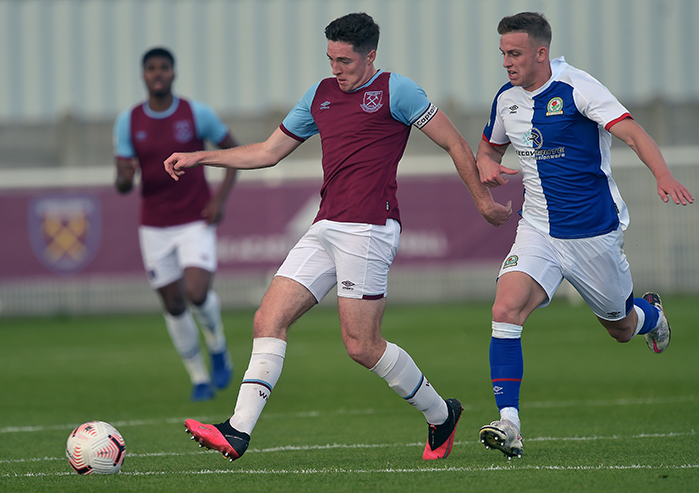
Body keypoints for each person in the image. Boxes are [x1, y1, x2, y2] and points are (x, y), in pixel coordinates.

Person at [164, 13, 512, 461]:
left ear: (371, 56)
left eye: (345, 60)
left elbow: (454, 143)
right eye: (330, 58)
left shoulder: (398, 90)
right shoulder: (320, 95)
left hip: (369, 229)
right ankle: (237, 431)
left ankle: (441, 414)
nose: (336, 69)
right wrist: (200, 157)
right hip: (325, 227)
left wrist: (482, 202)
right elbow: (269, 152)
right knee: (267, 320)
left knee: (361, 346)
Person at [475, 12, 694, 460]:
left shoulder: (578, 87)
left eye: (513, 53)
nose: (506, 63)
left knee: (620, 327)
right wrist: (486, 167)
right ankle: (510, 423)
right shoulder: (507, 99)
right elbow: (488, 148)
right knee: (505, 307)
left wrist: (663, 175)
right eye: (502, 54)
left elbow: (631, 132)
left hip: (592, 233)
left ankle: (651, 317)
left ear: (541, 52)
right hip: (537, 229)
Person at [113, 47, 239, 402]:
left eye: (164, 68)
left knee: (197, 292)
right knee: (173, 304)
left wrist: (220, 199)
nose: (158, 74)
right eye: (151, 68)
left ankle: (217, 344)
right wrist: (124, 177)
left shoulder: (195, 114)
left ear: (173, 73)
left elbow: (233, 153)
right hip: (154, 227)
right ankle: (199, 378)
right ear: (143, 75)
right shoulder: (129, 121)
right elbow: (122, 182)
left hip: (194, 219)